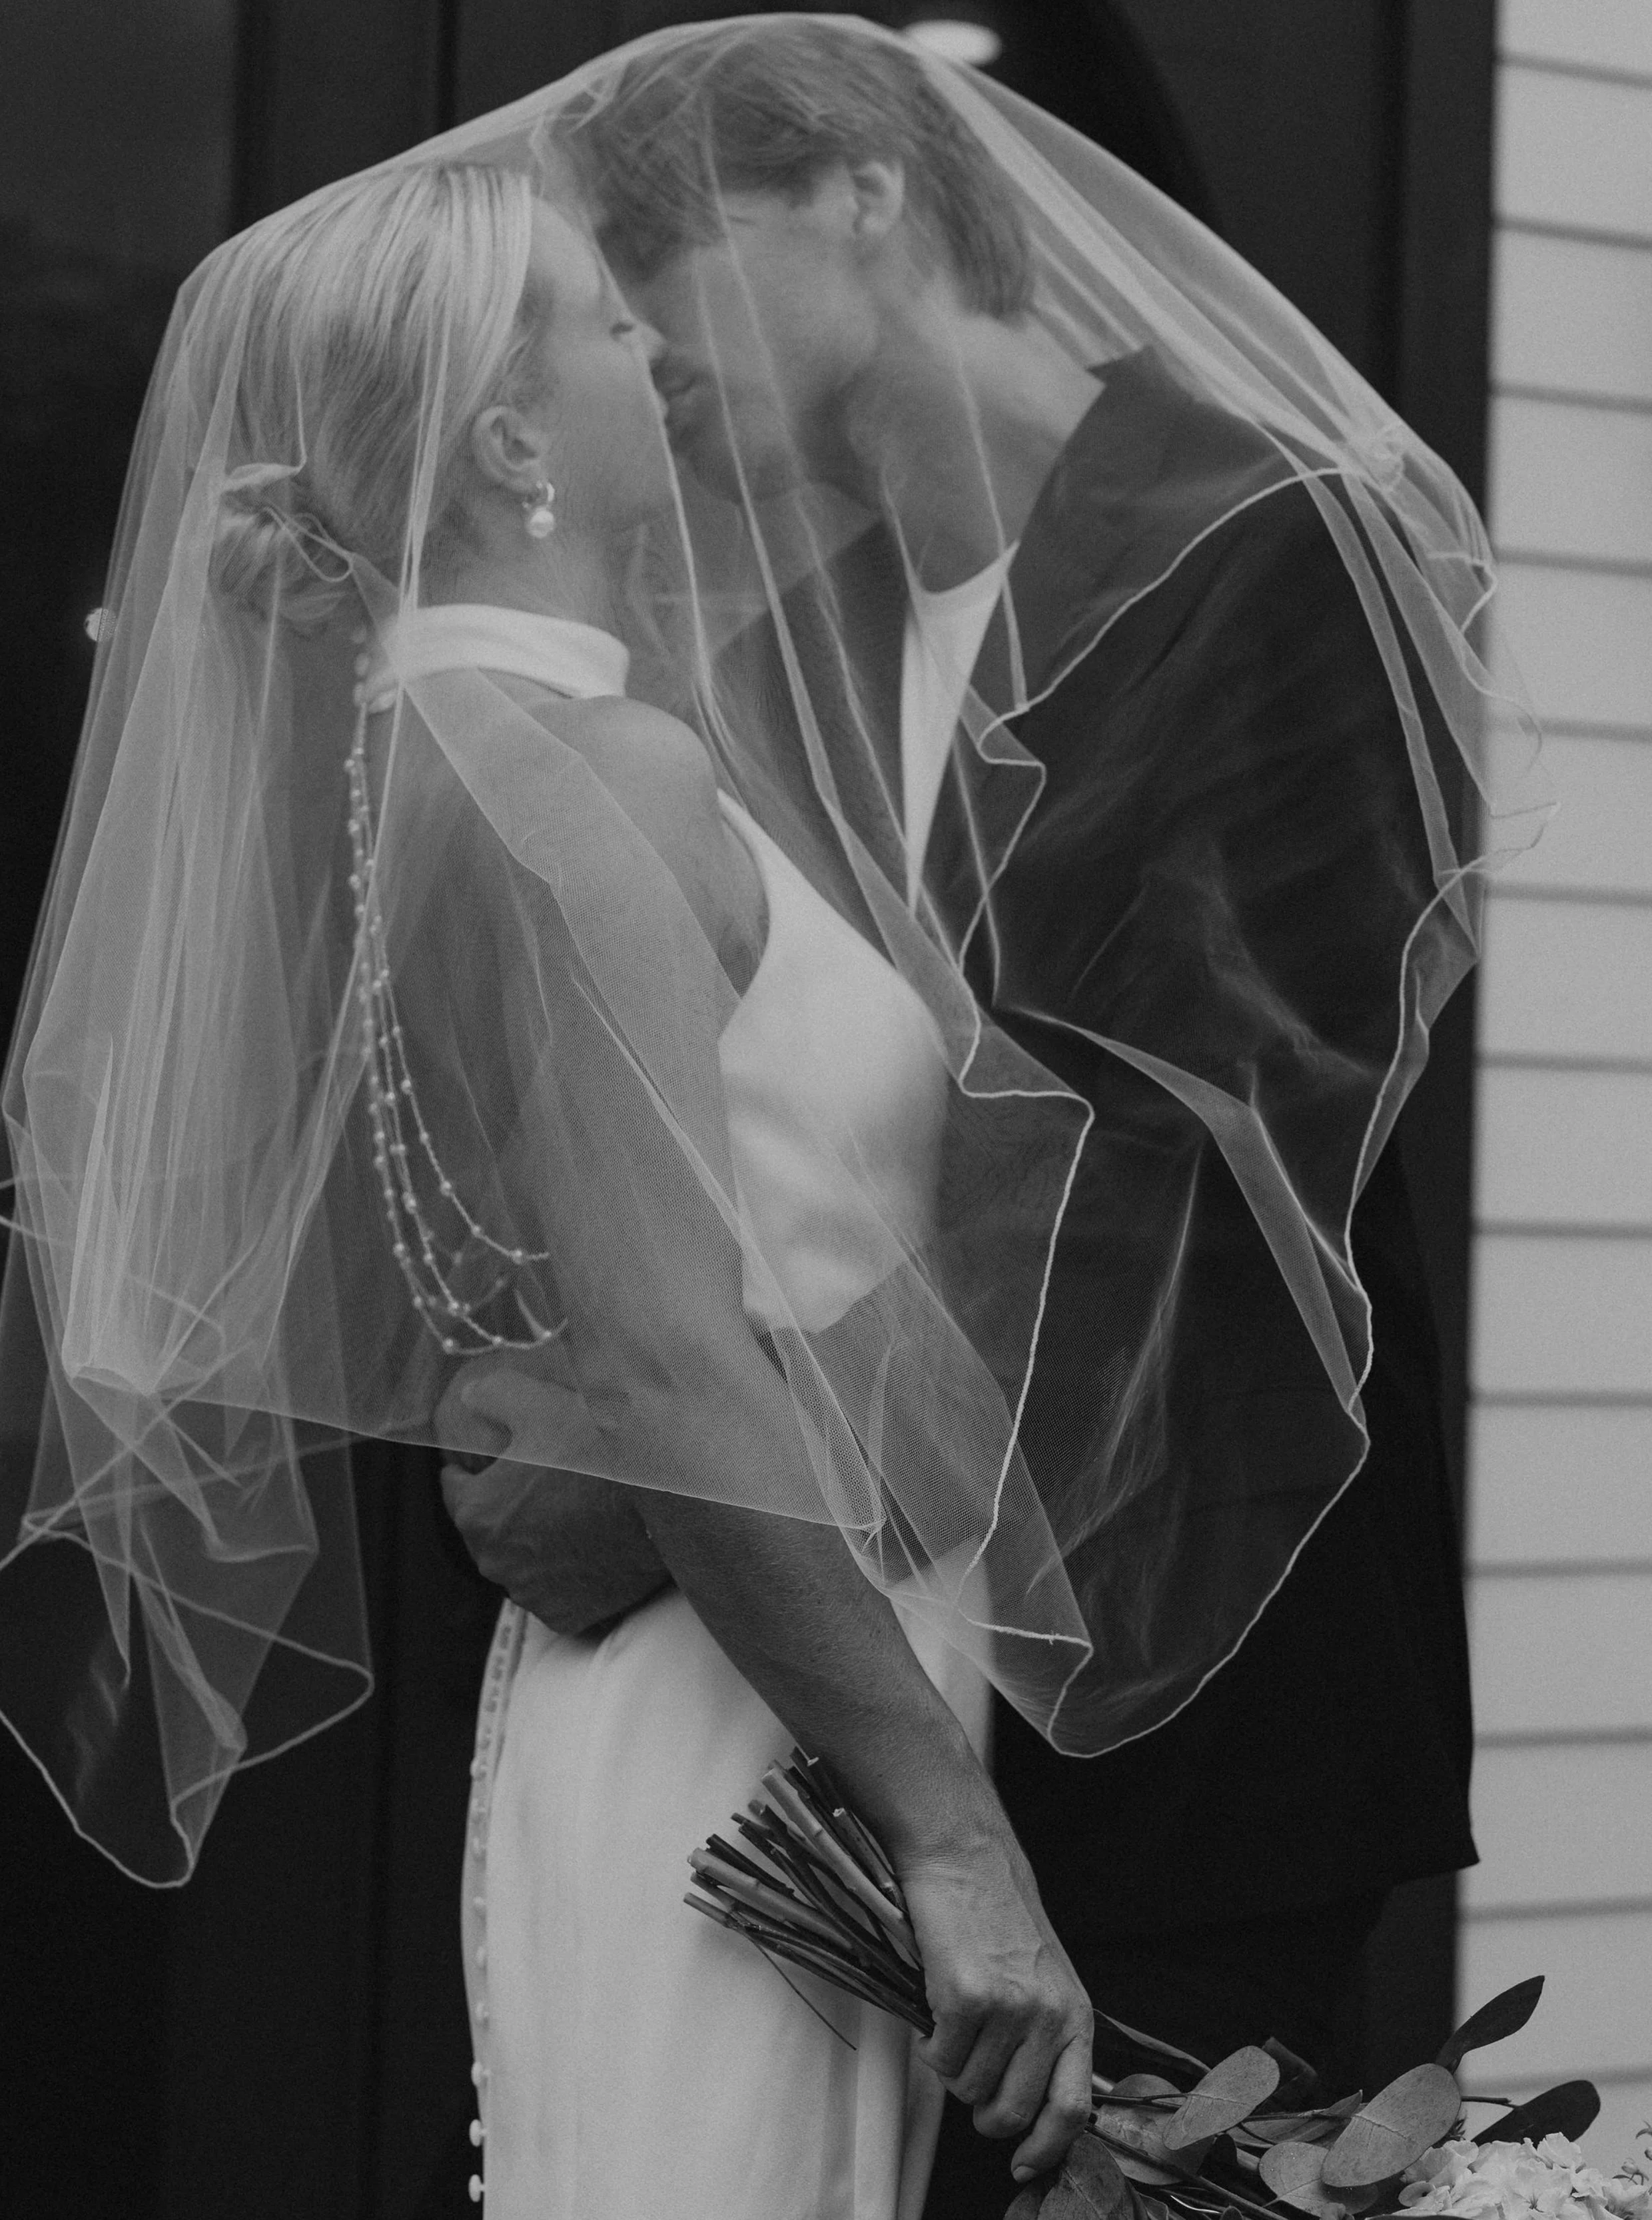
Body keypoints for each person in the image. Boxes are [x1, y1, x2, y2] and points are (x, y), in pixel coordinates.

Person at [439, 20, 1545, 2212]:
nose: (639, 336)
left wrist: (656, 1480)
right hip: (807, 1724)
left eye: (661, 249)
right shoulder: (787, 651)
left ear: (865, 188)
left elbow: (1152, 1189)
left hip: (1174, 1710)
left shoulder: (1265, 547)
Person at [0, 153, 1095, 2220]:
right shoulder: (585, 774)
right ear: (510, 439)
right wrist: (953, 1837)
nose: (657, 343)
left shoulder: (426, 737)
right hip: (750, 1734)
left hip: (740, 1683)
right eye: (602, 318)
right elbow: (672, 1363)